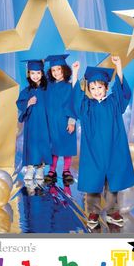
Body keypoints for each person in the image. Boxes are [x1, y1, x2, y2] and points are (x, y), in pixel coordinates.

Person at [71, 56, 134, 229]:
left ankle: (113, 212)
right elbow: (75, 100)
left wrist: (119, 67)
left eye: (100, 87)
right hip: (93, 151)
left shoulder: (114, 102)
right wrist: (75, 73)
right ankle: (93, 212)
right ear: (89, 90)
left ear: (106, 87)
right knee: (93, 182)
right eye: (92, 88)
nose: (96, 91)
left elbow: (124, 93)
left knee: (112, 182)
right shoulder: (87, 106)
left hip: (113, 148)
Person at [44, 54, 77, 192]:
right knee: (53, 148)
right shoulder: (49, 87)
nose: (56, 72)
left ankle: (66, 171)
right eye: (53, 70)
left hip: (65, 121)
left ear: (64, 69)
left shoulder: (69, 86)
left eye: (59, 69)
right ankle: (52, 171)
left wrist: (72, 121)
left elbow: (74, 103)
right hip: (52, 122)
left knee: (66, 147)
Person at [16, 59, 52, 181]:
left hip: (44, 124)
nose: (35, 76)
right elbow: (20, 104)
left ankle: (40, 169)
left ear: (42, 73)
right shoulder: (26, 91)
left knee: (43, 144)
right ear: (29, 74)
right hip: (31, 124)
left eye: (38, 73)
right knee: (32, 145)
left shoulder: (47, 90)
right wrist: (28, 103)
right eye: (32, 73)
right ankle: (30, 168)